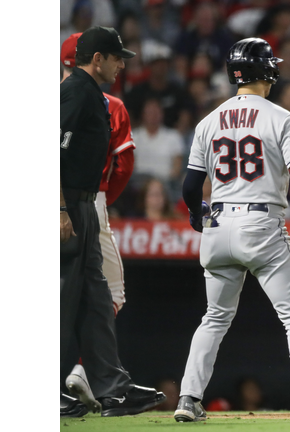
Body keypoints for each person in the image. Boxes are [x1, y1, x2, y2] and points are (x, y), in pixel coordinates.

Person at [173, 38, 290, 423]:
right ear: (267, 72)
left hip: (218, 225)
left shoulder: (209, 120)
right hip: (261, 223)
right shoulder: (279, 116)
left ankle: (188, 398)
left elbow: (190, 186)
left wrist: (194, 212)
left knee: (215, 318)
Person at [60, 25, 165, 418]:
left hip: (85, 204)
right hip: (68, 204)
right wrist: (59, 209)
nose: (123, 64)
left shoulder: (90, 94)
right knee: (60, 301)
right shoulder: (74, 91)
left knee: (98, 301)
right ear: (97, 59)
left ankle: (112, 389)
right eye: (117, 57)